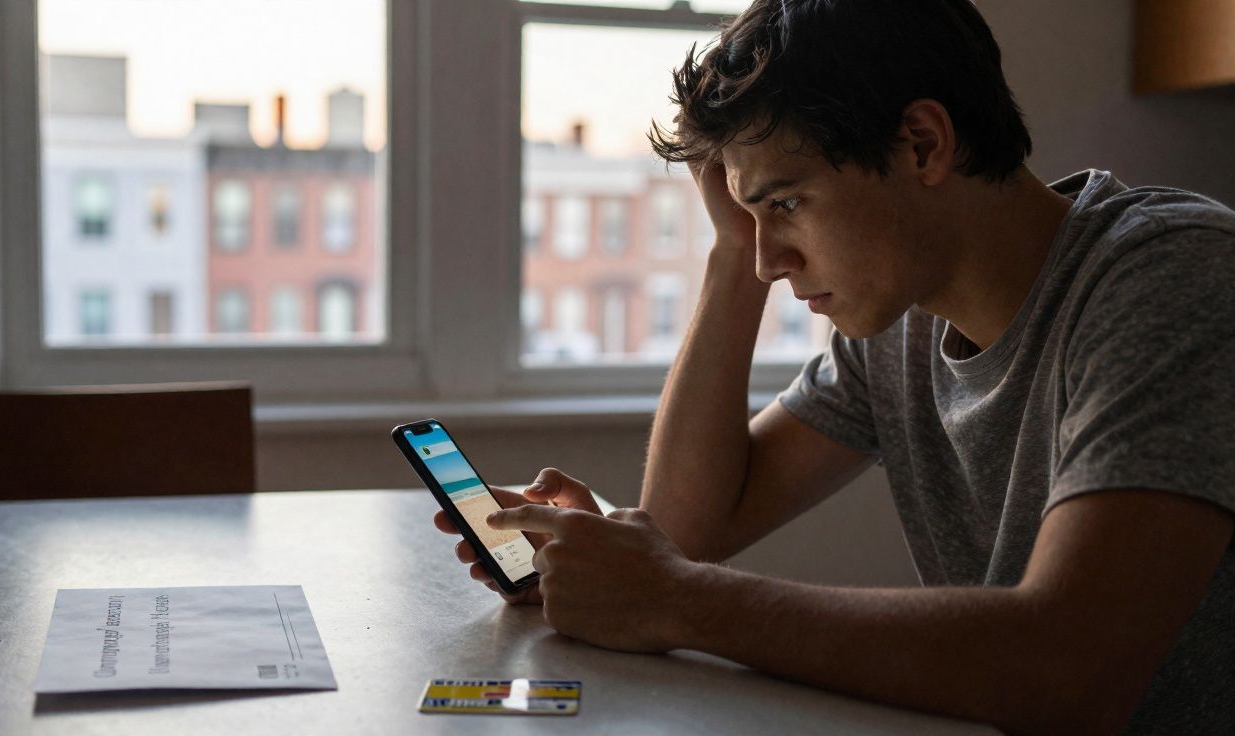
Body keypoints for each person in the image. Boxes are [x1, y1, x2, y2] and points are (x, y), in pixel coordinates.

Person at [433, 1, 1235, 733]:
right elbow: (688, 528)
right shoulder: (902, 321)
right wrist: (727, 249)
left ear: (923, 144)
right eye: (750, 217)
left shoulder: (1171, 280)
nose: (769, 263)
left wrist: (674, 600)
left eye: (785, 204)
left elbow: (1071, 671)